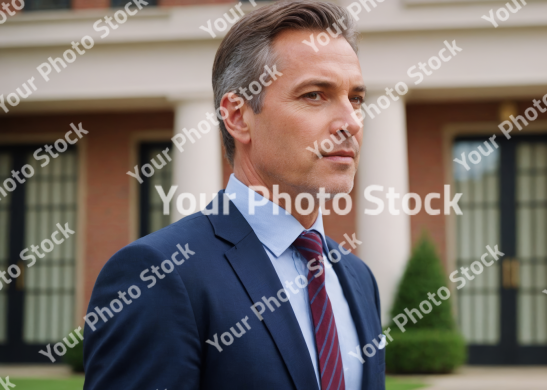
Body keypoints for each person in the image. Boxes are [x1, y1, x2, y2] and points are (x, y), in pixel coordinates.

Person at [83, 1, 385, 389]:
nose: (350, 122)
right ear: (239, 116)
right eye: (314, 95)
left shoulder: (358, 278)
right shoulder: (158, 275)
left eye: (356, 98)